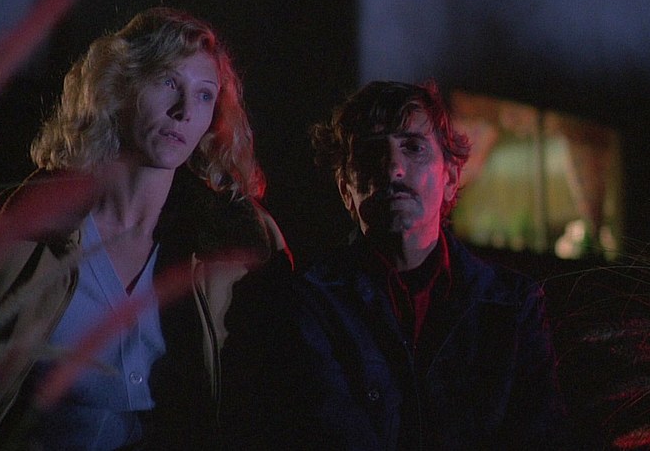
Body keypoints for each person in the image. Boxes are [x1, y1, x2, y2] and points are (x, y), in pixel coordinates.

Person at [0, 7, 288, 450]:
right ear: (119, 85)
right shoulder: (20, 231)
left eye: (205, 95)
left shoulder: (238, 243)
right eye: (167, 82)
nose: (184, 111)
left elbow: (282, 392)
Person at [221, 80, 568, 449]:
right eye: (370, 152)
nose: (393, 168)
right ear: (345, 190)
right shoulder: (308, 302)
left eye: (413, 147)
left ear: (450, 178)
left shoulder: (511, 305)